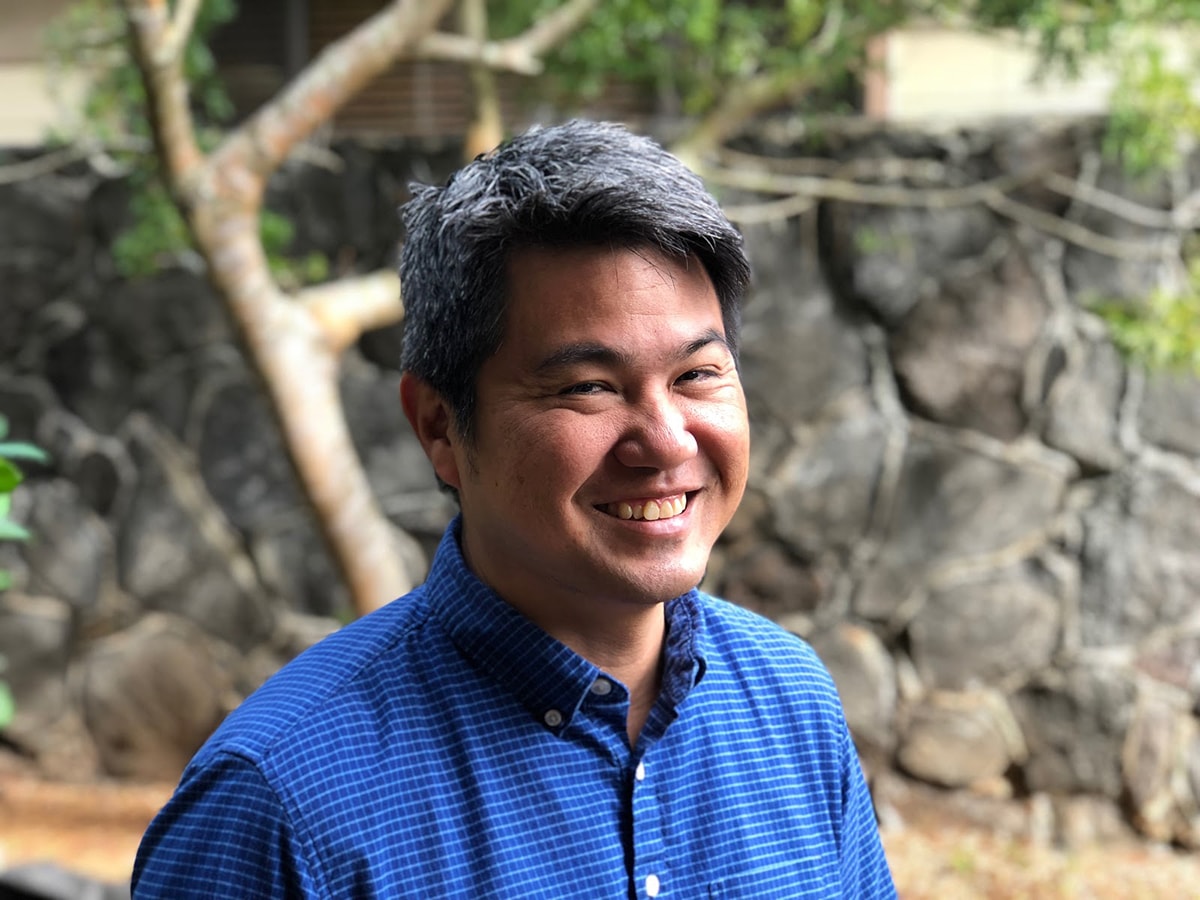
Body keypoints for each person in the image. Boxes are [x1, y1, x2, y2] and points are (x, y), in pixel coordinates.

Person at [132, 119, 896, 898]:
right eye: (587, 387)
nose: (666, 442)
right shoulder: (278, 803)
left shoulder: (789, 700)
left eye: (698, 374)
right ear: (439, 426)